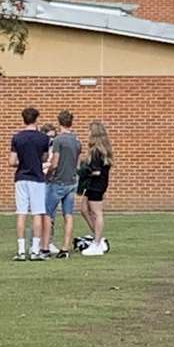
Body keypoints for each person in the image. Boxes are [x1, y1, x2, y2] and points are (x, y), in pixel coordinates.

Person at [9, 106, 52, 261]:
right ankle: (35, 250)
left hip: (21, 177)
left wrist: (22, 161)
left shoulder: (17, 138)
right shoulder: (43, 138)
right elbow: (45, 158)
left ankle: (21, 250)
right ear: (36, 119)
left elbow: (12, 161)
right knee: (37, 213)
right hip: (37, 178)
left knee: (21, 213)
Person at [44, 110, 81, 258]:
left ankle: (45, 246)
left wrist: (48, 174)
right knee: (68, 215)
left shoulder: (59, 140)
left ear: (59, 123)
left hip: (58, 181)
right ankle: (65, 248)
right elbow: (77, 163)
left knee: (48, 213)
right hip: (72, 180)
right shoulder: (77, 141)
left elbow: (55, 162)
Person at [77, 120, 113, 257]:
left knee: (97, 213)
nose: (87, 134)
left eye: (89, 131)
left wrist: (83, 170)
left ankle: (97, 243)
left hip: (97, 185)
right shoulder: (98, 150)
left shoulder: (97, 151)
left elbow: (96, 171)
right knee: (84, 209)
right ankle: (98, 237)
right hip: (92, 185)